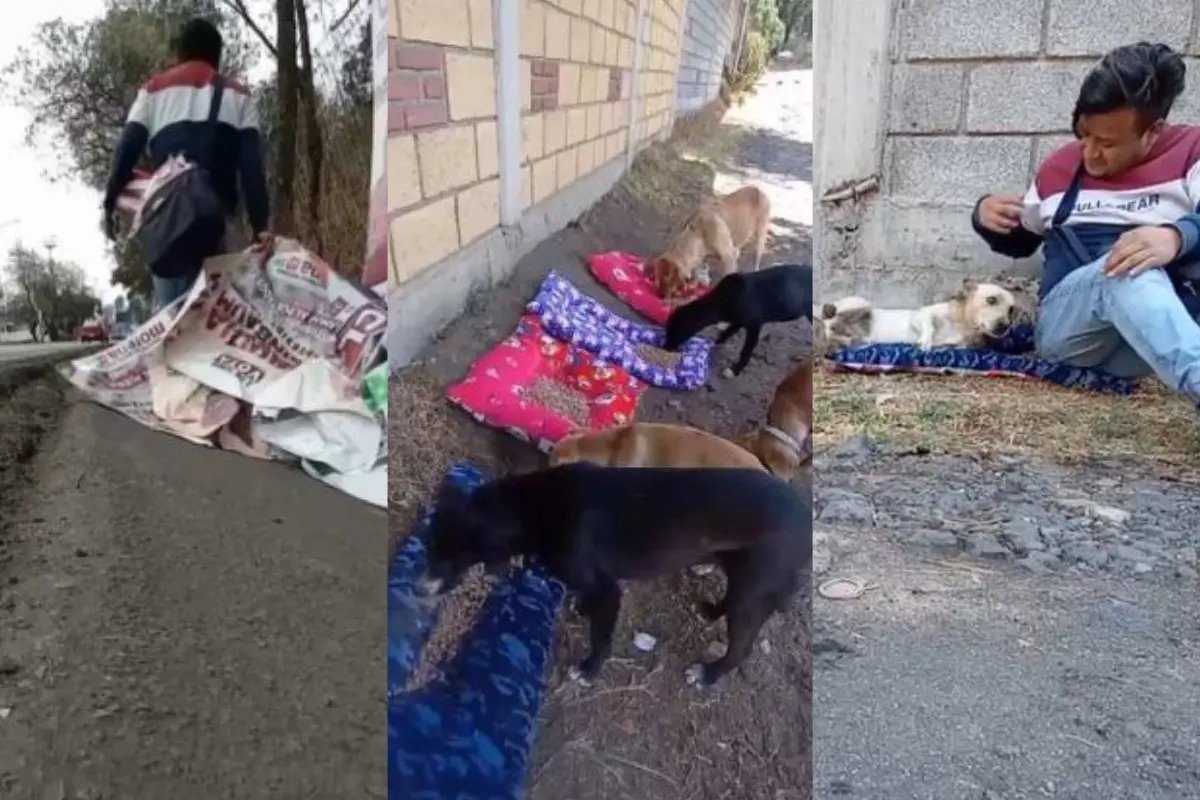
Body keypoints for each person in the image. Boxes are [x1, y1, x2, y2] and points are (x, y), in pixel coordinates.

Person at [972, 41, 1200, 406]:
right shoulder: (1060, 167)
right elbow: (1021, 239)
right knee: (1126, 264)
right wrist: (985, 216)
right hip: (1073, 335)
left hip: (1149, 343)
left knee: (1136, 263)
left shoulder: (1190, 150)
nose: (1090, 152)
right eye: (1085, 134)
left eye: (1107, 143)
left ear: (1153, 131)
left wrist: (1176, 236)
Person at [101, 17, 272, 310]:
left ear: (180, 53)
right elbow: (251, 165)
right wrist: (260, 226)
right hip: (217, 225)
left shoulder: (153, 91)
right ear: (217, 56)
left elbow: (127, 148)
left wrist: (109, 201)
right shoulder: (238, 95)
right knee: (219, 325)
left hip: (168, 225)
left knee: (172, 327)